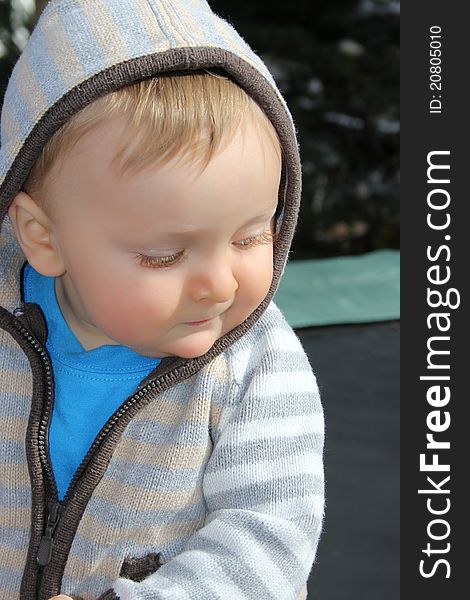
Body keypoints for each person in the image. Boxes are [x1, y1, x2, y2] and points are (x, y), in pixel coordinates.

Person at [0, 1, 324, 599]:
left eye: (251, 236)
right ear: (43, 238)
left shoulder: (255, 363)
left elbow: (269, 538)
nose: (221, 285)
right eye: (163, 256)